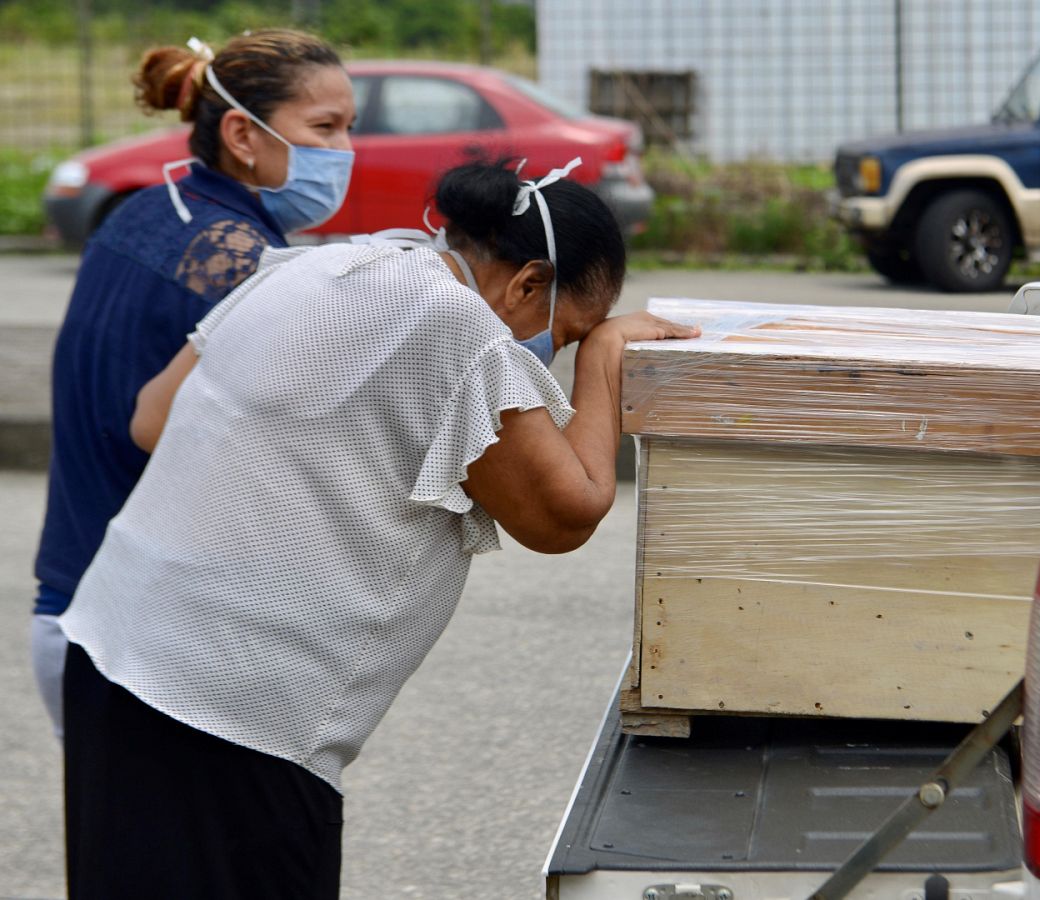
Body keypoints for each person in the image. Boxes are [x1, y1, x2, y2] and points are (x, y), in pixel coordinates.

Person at [56, 156, 699, 898]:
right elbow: (565, 514)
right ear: (527, 283)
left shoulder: (315, 266)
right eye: (569, 331)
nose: (555, 352)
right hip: (235, 717)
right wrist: (608, 362)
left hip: (112, 649)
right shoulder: (458, 328)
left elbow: (153, 417)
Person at [30, 29, 355, 740]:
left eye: (349, 128)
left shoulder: (145, 214)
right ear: (243, 132)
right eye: (325, 128)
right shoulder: (240, 262)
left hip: (71, 604)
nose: (344, 152)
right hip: (138, 645)